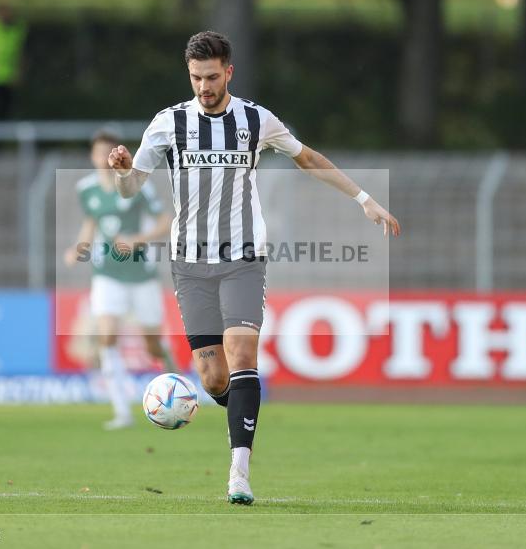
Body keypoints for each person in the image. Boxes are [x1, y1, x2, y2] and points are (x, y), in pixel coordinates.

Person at [108, 31, 400, 504]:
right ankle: (241, 407)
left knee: (243, 357)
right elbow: (128, 190)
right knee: (214, 379)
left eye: (211, 76)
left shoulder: (255, 120)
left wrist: (363, 199)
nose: (203, 86)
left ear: (229, 72)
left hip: (243, 258)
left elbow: (307, 159)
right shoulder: (168, 124)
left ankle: (238, 474)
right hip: (189, 264)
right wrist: (122, 170)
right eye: (195, 78)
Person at [64, 129, 176, 430]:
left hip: (141, 274)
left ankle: (171, 375)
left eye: (108, 152)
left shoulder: (136, 184)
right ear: (92, 156)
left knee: (152, 345)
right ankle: (121, 411)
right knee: (107, 336)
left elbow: (166, 221)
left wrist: (138, 240)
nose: (103, 157)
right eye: (98, 152)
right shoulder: (85, 188)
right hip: (107, 274)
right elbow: (91, 222)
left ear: (118, 155)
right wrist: (79, 248)